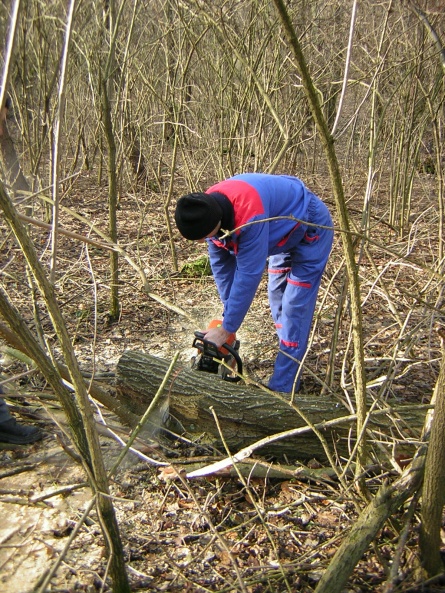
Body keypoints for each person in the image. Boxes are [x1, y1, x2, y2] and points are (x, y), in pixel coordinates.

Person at [174, 172, 334, 393]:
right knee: (276, 296)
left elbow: (248, 275)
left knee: (293, 308)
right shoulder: (204, 208)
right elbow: (221, 268)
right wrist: (227, 319)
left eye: (202, 237)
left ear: (214, 223)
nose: (202, 242)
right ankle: (287, 354)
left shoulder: (249, 217)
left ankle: (283, 391)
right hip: (279, 231)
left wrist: (227, 328)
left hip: (308, 225)